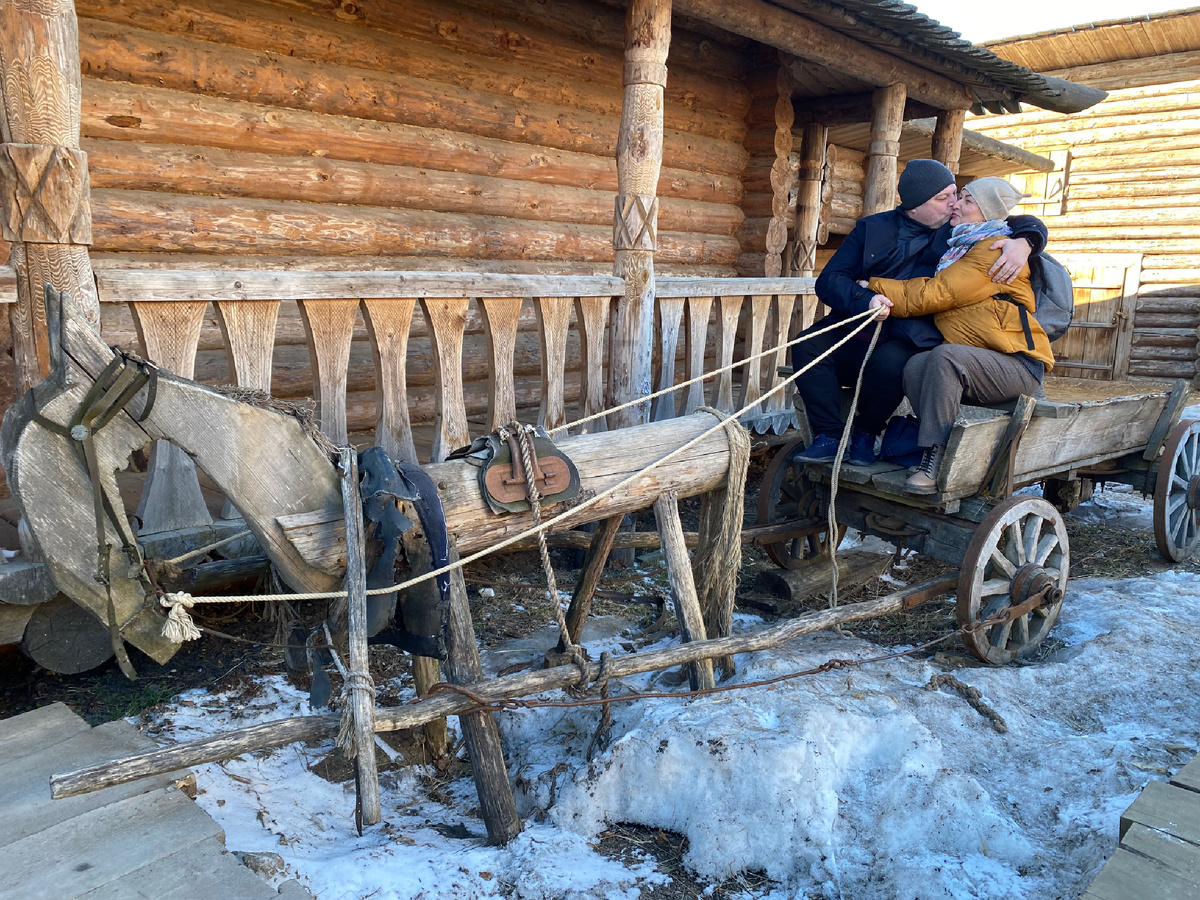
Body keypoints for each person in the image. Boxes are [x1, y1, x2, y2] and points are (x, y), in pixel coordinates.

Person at [791, 159, 1047, 467]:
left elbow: (1010, 219)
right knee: (807, 345)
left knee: (894, 362)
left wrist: (1026, 242)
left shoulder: (957, 236)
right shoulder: (871, 228)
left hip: (911, 334)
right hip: (862, 324)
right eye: (944, 198)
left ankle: (865, 434)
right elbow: (830, 281)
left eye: (956, 194)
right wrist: (866, 299)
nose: (954, 204)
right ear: (915, 204)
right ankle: (829, 436)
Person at [866, 176, 1055, 493]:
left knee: (944, 357)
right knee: (915, 365)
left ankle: (935, 457)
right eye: (959, 197)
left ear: (986, 212)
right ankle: (937, 443)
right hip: (982, 361)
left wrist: (869, 286)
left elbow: (934, 294)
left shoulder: (993, 251)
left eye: (967, 200)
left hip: (1018, 363)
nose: (957, 204)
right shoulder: (960, 248)